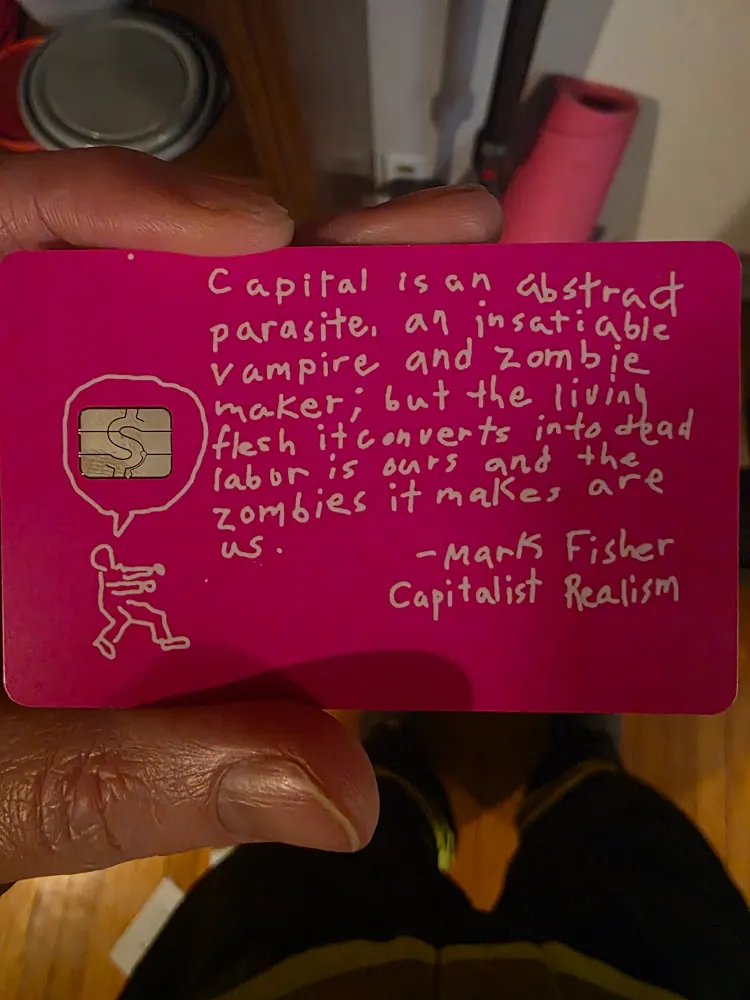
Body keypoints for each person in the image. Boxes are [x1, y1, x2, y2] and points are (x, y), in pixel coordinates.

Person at [0, 149, 747, 999]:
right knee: (615, 847)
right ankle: (568, 767)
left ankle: (418, 766)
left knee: (343, 846)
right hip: (644, 979)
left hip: (273, 971)